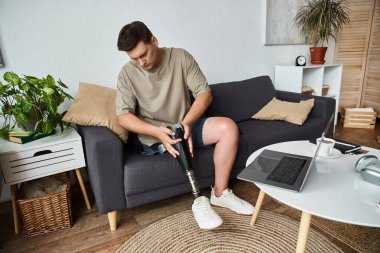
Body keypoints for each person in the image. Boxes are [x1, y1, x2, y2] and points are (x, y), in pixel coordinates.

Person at [116, 21, 254, 229]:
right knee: (175, 140)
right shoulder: (127, 74)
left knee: (228, 128)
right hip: (157, 135)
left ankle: (220, 193)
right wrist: (156, 132)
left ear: (154, 41)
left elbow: (204, 94)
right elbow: (123, 116)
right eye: (134, 59)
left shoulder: (180, 57)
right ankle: (199, 200)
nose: (141, 62)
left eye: (143, 54)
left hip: (188, 123)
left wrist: (187, 123)